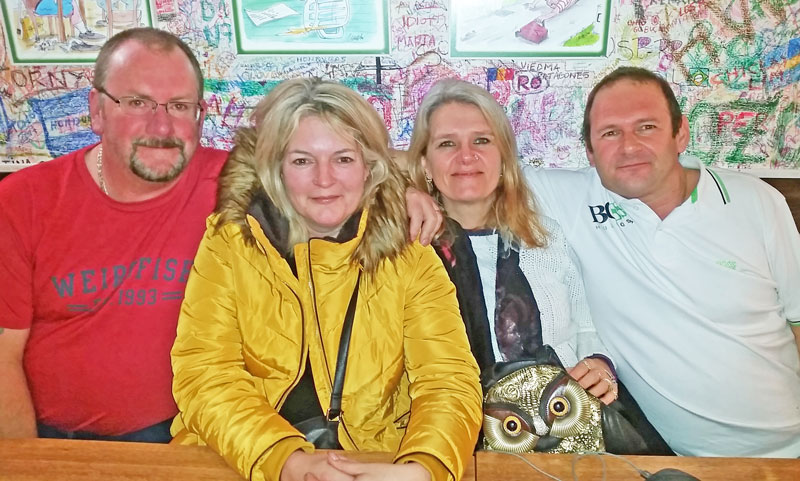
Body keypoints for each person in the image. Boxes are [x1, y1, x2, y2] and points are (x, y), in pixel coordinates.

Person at [0, 27, 441, 443]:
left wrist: (399, 191)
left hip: (198, 431)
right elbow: (3, 359)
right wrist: (25, 460)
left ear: (199, 114)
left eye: (178, 106)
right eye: (137, 103)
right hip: (58, 436)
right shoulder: (24, 200)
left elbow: (331, 155)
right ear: (96, 110)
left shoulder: (229, 180)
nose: (161, 127)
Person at [169, 78, 482, 481]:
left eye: (343, 159)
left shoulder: (410, 251)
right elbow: (205, 373)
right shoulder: (230, 241)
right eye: (302, 161)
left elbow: (448, 378)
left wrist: (424, 467)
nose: (324, 179)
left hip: (373, 458)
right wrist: (282, 459)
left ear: (370, 168)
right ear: (275, 168)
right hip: (242, 453)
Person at [524, 66, 800, 457]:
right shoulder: (571, 198)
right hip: (678, 460)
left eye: (647, 127)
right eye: (610, 132)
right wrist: (415, 194)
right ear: (589, 150)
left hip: (789, 451)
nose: (629, 146)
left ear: (680, 133)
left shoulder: (757, 202)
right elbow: (463, 167)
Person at [405, 79, 618, 405]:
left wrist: (599, 365)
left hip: (556, 429)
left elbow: (586, 328)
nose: (466, 156)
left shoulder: (545, 236)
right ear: (424, 164)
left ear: (504, 160)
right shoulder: (407, 247)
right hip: (445, 431)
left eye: (481, 140)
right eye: (447, 144)